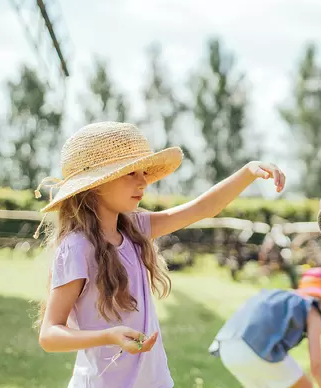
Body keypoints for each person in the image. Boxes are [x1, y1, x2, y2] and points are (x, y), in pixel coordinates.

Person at [34, 121, 286, 388]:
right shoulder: (77, 247)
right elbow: (49, 334)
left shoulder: (134, 228)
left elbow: (202, 208)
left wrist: (247, 172)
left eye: (143, 172)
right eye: (130, 173)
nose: (143, 182)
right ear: (97, 184)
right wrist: (109, 336)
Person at [209, 267, 321, 388]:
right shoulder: (313, 311)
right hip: (257, 348)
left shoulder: (281, 296)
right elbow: (316, 365)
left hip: (227, 348)